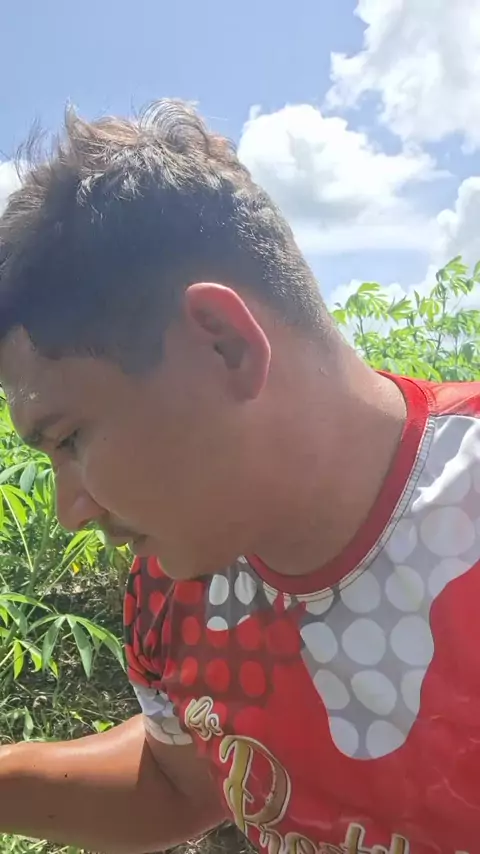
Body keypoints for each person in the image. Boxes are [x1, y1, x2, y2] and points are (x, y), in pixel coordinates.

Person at [0, 99, 478, 854]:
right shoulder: (176, 583)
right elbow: (180, 777)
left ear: (223, 344)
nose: (70, 508)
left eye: (71, 438)